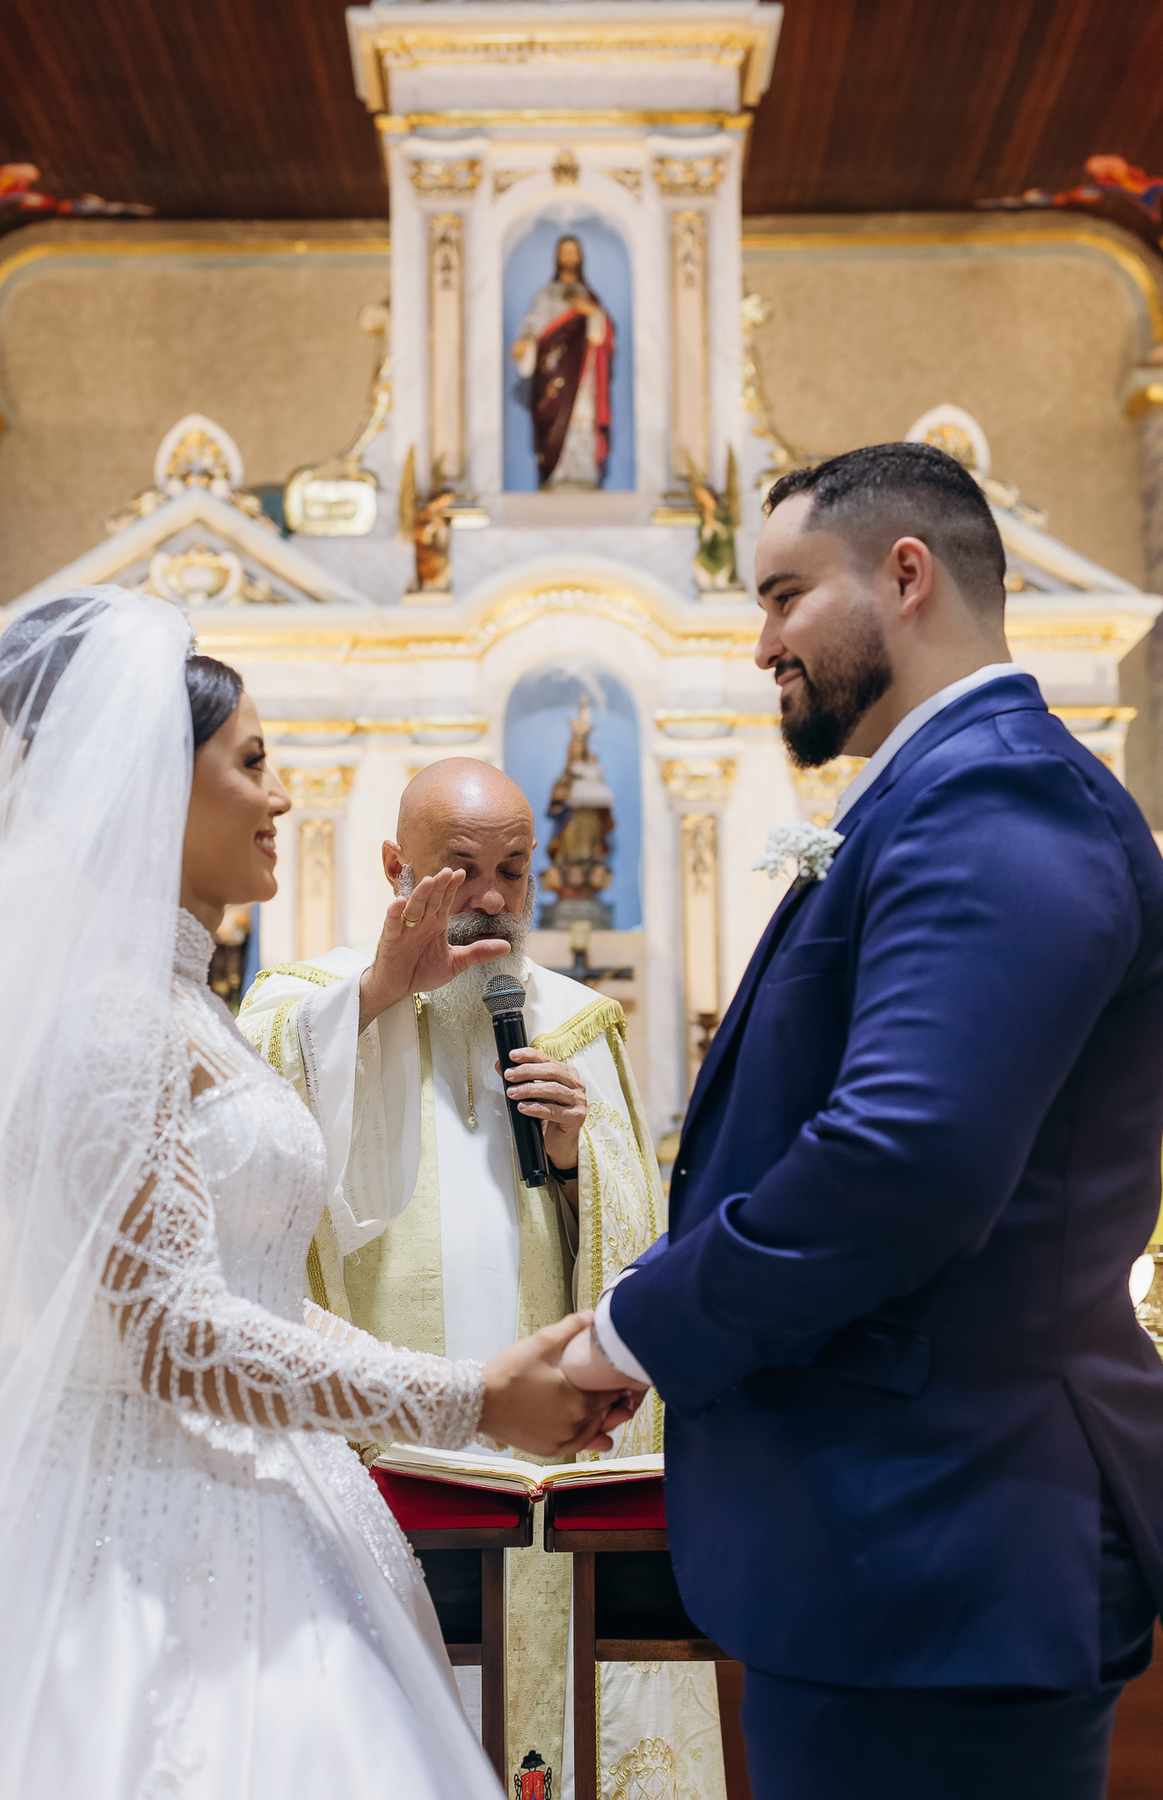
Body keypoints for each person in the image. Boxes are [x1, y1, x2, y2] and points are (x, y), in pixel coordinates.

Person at [563, 441, 1163, 1799]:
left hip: (947, 1542)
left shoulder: (996, 794)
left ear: (906, 576)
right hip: (893, 1551)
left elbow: (904, 1158)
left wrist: (631, 1330)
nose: (762, 641)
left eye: (784, 595)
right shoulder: (938, 790)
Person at [0, 587, 630, 1799]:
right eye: (254, 762)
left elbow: (248, 1283)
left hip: (258, 1496)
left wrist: (485, 1387)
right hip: (153, 1539)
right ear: (151, 782)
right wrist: (469, 1397)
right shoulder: (117, 1014)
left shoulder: (183, 1008)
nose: (281, 797)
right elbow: (170, 1335)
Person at [236, 760, 722, 1796]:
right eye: (462, 870)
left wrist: (572, 1159)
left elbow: (631, 1245)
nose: (494, 898)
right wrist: (372, 997)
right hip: (375, 1458)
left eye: (514, 869)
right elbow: (240, 1174)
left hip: (533, 1472)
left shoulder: (576, 1024)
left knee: (534, 1735)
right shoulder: (305, 1007)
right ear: (394, 866)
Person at [511, 233, 613, 489]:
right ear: (557, 257)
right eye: (564, 251)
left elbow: (602, 337)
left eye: (573, 251)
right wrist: (524, 346)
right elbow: (531, 329)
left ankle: (583, 476)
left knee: (581, 421)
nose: (569, 257)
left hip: (581, 376)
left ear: (580, 257)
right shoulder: (544, 296)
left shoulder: (589, 298)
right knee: (552, 424)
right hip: (551, 377)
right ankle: (554, 476)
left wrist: (591, 313)